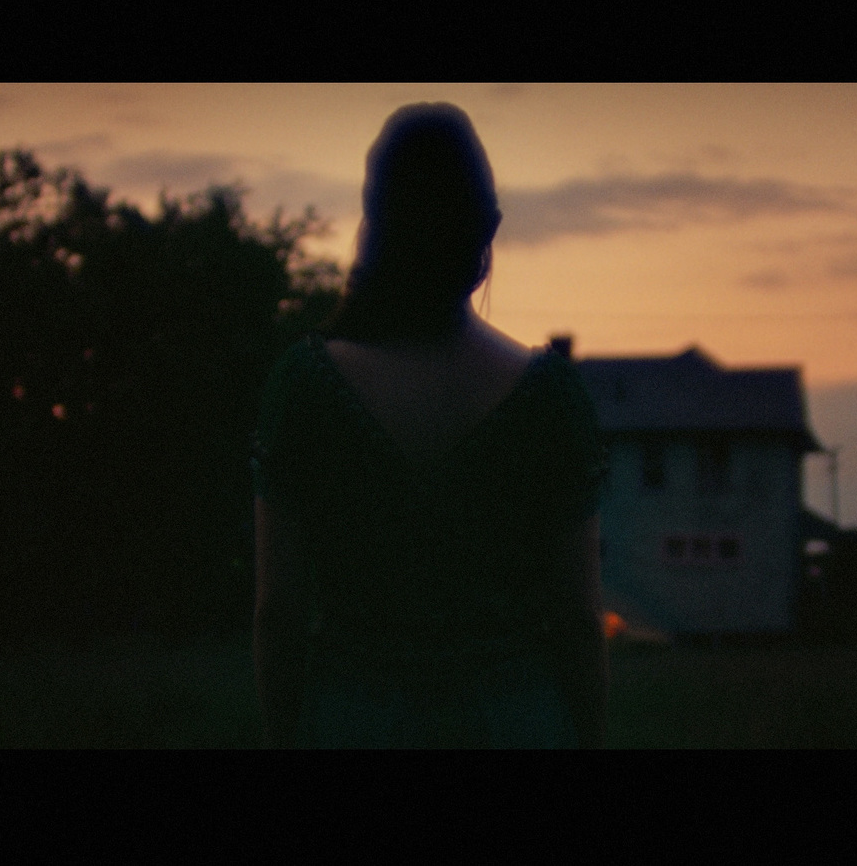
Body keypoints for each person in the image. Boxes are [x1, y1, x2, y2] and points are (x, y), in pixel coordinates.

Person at [251, 103, 608, 748]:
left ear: (374, 225)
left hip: (353, 725)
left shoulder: (306, 388)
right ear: (486, 229)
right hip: (515, 725)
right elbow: (579, 617)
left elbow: (279, 612)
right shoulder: (552, 399)